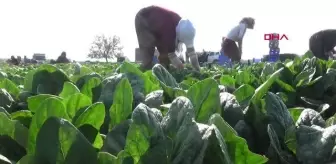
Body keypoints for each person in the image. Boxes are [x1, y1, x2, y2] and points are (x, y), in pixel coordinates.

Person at [135, 5, 201, 71]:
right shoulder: (170, 31)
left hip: (156, 24)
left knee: (163, 53)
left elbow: (192, 53)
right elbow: (170, 55)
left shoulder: (184, 27)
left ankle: (161, 71)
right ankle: (145, 73)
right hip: (143, 18)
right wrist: (180, 67)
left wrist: (197, 69)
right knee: (149, 53)